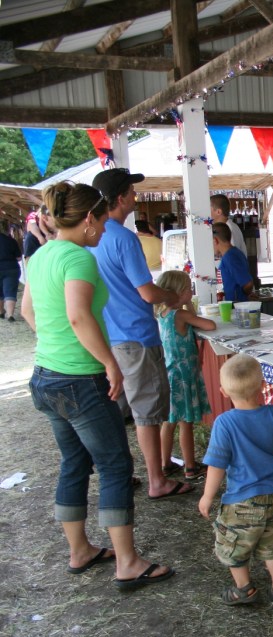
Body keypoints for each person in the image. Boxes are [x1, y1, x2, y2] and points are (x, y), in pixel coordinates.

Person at [21, 181, 174, 590]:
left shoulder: (40, 255)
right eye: (103, 221)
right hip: (80, 379)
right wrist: (109, 363)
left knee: (75, 462)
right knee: (114, 465)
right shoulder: (77, 258)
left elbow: (27, 310)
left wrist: (54, 346)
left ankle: (81, 550)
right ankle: (127, 561)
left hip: (46, 376)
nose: (106, 229)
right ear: (88, 219)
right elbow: (78, 316)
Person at [89, 167, 190, 501]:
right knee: (146, 414)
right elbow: (147, 292)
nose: (136, 197)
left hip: (108, 337)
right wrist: (172, 298)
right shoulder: (122, 237)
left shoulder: (91, 238)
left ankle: (121, 472)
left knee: (118, 411)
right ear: (120, 199)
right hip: (136, 335)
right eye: (131, 192)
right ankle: (157, 480)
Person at [198, 354, 273, 607]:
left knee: (233, 545)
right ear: (263, 386)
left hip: (243, 501)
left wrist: (207, 496)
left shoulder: (225, 423)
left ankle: (244, 590)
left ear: (222, 391)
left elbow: (217, 465)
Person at [155, 269, 216, 482]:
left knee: (169, 421)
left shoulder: (161, 314)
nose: (191, 291)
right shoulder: (181, 315)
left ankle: (165, 464)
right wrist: (189, 307)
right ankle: (190, 467)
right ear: (178, 293)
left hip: (170, 373)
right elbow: (209, 325)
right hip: (184, 375)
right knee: (186, 422)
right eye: (188, 289)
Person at [212, 222, 254, 302]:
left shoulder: (230, 257)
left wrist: (245, 297)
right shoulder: (234, 253)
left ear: (215, 240)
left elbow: (248, 284)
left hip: (237, 307)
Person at [0, 222, 22, 321]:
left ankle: (1, 312)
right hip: (11, 268)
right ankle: (10, 315)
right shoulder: (11, 241)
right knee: (10, 291)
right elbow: (18, 257)